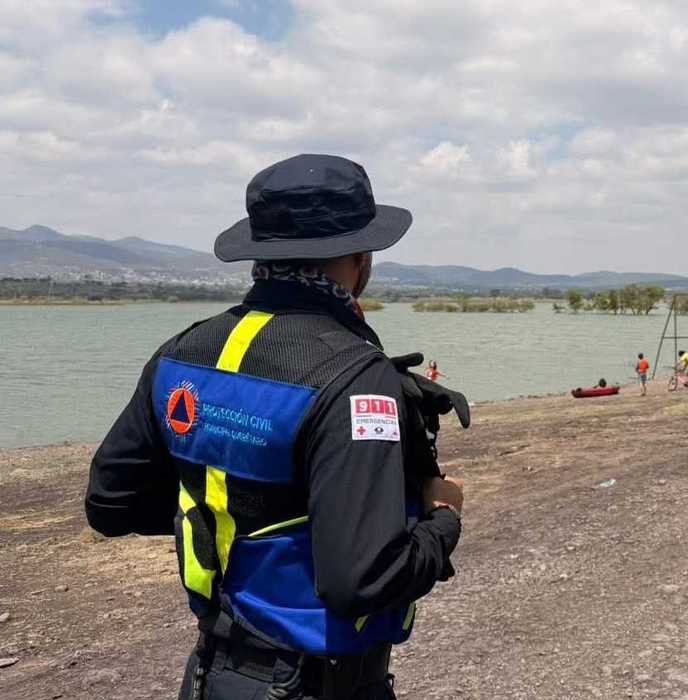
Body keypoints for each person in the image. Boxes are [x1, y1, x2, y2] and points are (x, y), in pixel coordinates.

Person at [85, 154, 465, 700]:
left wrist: (237, 516)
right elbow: (363, 580)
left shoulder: (182, 354)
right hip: (318, 683)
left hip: (211, 673)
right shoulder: (356, 377)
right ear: (361, 258)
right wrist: (443, 519)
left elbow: (111, 504)